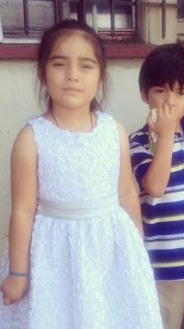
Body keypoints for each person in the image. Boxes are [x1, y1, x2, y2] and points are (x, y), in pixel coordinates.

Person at [0, 19, 162, 329]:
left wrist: (136, 249)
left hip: (108, 249)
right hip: (54, 254)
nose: (72, 75)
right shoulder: (31, 138)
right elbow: (22, 210)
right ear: (43, 73)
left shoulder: (113, 132)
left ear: (101, 77)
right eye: (60, 64)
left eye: (86, 66)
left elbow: (127, 193)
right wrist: (18, 272)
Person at [129, 43, 184, 329]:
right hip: (163, 264)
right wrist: (164, 136)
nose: (169, 101)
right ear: (145, 94)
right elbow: (155, 186)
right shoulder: (139, 142)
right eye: (160, 91)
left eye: (180, 92)